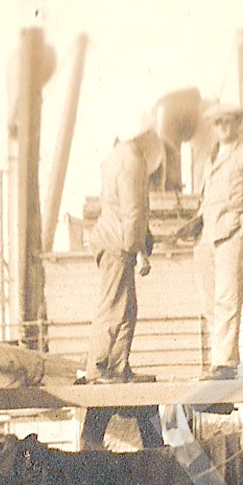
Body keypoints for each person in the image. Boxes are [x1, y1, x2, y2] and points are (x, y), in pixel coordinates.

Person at [195, 101, 243, 380]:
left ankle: (224, 364)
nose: (223, 127)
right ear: (213, 127)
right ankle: (220, 360)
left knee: (226, 298)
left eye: (228, 121)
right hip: (207, 236)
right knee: (209, 302)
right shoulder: (210, 158)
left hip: (231, 235)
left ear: (237, 123)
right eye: (218, 123)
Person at [84, 109, 157, 384]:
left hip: (112, 240)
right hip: (119, 243)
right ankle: (97, 369)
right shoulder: (133, 162)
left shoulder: (114, 158)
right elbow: (133, 210)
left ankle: (116, 366)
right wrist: (140, 251)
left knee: (126, 308)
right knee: (114, 307)